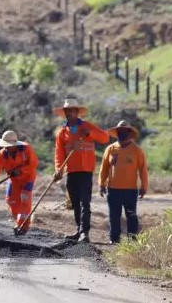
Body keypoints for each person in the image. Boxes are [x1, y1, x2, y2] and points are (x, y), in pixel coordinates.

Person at [52, 98, 111, 242]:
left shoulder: (87, 126)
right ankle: (79, 230)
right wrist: (58, 169)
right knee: (75, 202)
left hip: (85, 171)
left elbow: (105, 138)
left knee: (85, 202)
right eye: (66, 110)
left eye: (71, 110)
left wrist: (89, 134)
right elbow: (59, 154)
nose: (68, 113)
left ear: (77, 112)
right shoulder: (62, 133)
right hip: (71, 171)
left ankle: (85, 233)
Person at [99, 120, 149, 244]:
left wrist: (144, 186)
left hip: (130, 190)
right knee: (114, 216)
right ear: (117, 133)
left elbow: (143, 170)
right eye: (119, 131)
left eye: (124, 131)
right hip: (113, 189)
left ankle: (132, 240)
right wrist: (101, 184)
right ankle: (114, 239)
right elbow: (104, 168)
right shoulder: (110, 149)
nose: (122, 133)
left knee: (131, 216)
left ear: (129, 133)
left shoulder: (137, 151)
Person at [0, 130, 39, 235]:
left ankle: (23, 227)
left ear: (15, 144)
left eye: (9, 145)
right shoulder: (1, 155)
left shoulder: (26, 149)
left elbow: (33, 164)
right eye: (5, 145)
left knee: (25, 199)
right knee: (11, 201)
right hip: (14, 180)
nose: (7, 147)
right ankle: (19, 221)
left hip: (28, 178)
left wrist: (21, 170)